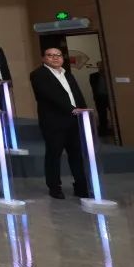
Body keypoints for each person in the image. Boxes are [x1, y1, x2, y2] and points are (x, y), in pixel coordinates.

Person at [30, 48, 89, 199]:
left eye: (58, 55)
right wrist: (72, 109)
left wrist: (83, 110)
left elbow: (76, 94)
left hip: (74, 120)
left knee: (76, 154)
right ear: (43, 58)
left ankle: (81, 186)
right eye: (50, 55)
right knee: (54, 154)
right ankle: (54, 187)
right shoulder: (38, 74)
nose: (55, 58)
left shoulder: (67, 73)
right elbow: (51, 96)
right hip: (54, 121)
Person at [89, 60, 111, 134]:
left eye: (102, 65)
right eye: (100, 65)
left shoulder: (110, 74)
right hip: (99, 98)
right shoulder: (93, 76)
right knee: (101, 114)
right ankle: (103, 130)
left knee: (114, 113)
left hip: (110, 98)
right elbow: (93, 86)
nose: (101, 67)